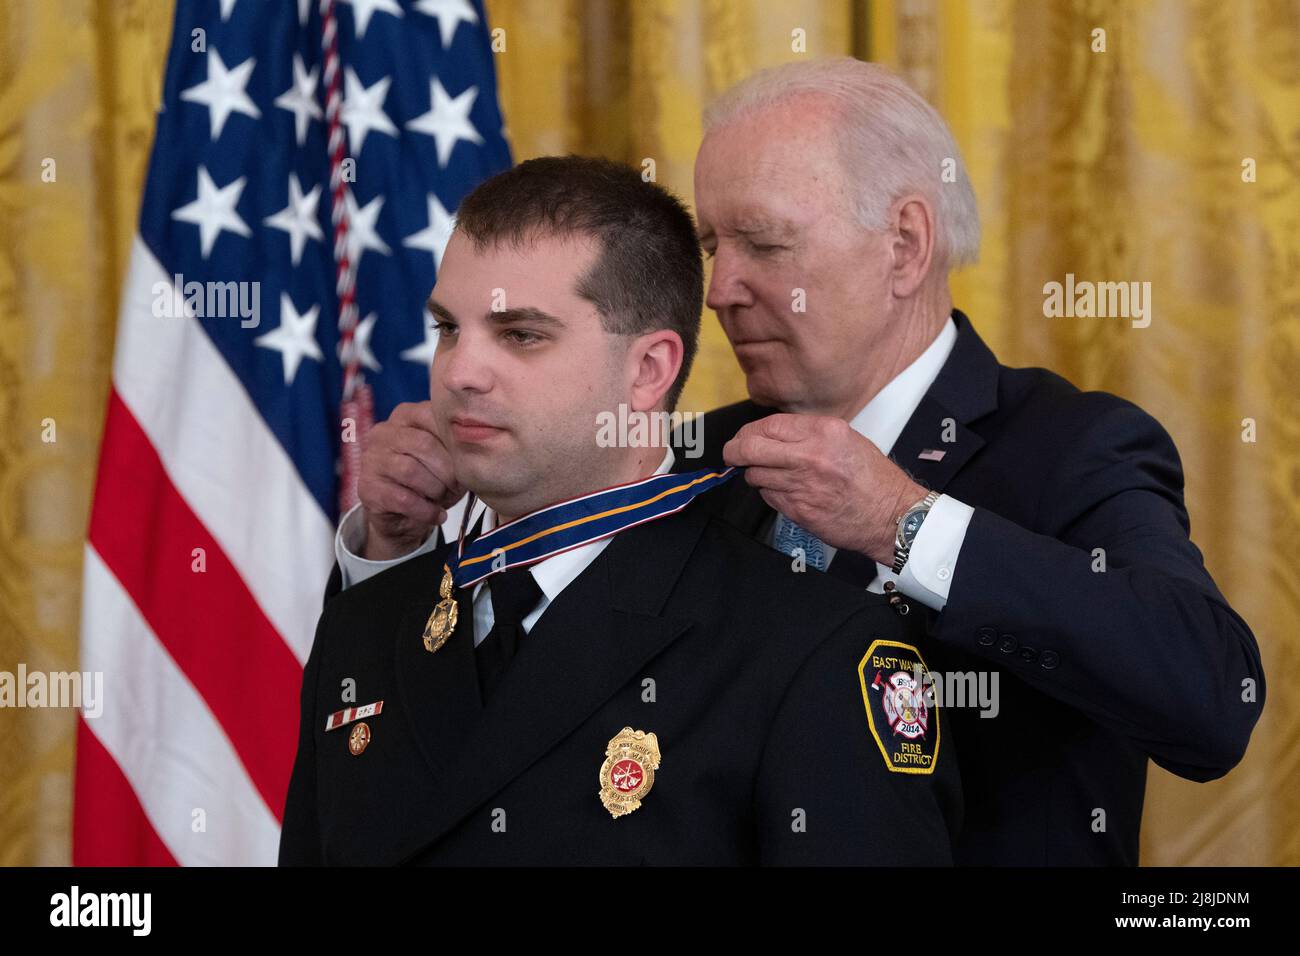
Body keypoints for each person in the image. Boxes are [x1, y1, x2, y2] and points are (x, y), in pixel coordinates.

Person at [335, 59, 1265, 866]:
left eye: (765, 244)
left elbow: (1212, 701)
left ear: (904, 245)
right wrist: (396, 550)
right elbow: (510, 729)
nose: (722, 290)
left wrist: (904, 524)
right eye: (710, 247)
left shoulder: (1068, 448)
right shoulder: (693, 453)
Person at [280, 155, 962, 866]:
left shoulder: (808, 650)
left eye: (521, 334)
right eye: (449, 329)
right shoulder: (367, 622)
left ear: (648, 371)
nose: (460, 372)